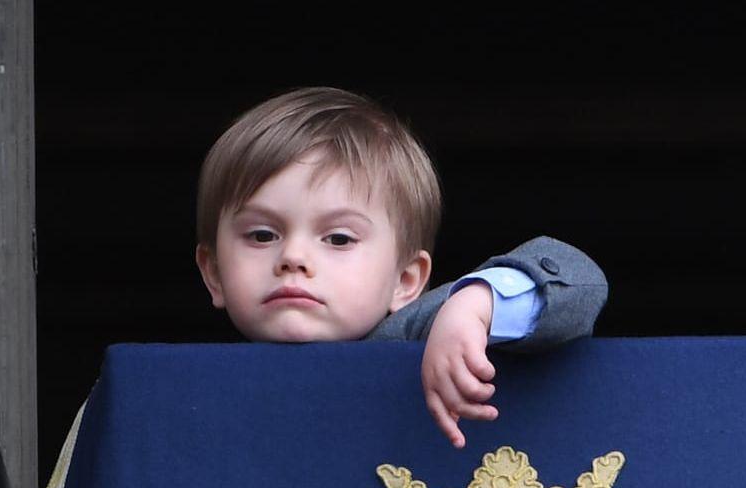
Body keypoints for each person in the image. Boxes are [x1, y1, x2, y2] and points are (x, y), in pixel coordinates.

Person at [192, 86, 607, 447]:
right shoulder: (193, 395)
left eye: (338, 238)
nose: (293, 258)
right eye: (263, 235)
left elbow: (581, 280)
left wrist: (475, 307)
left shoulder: (418, 334)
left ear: (405, 281)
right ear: (213, 274)